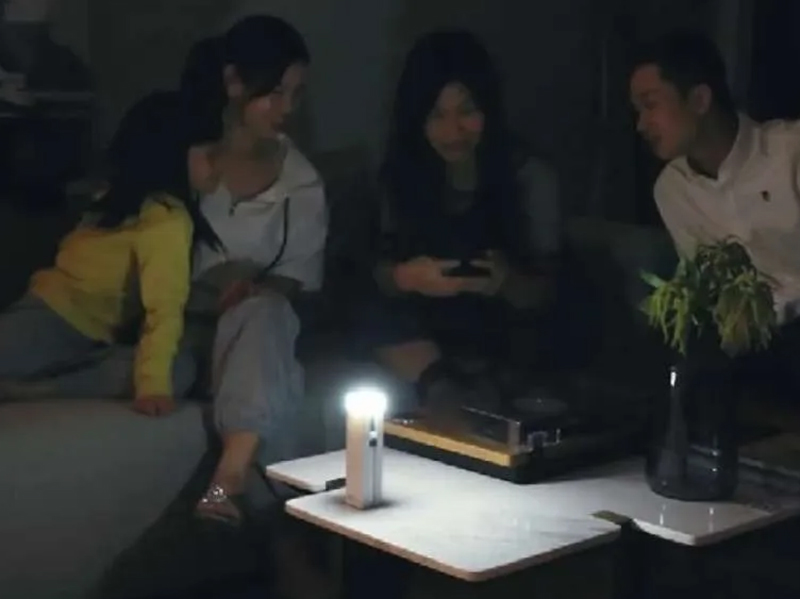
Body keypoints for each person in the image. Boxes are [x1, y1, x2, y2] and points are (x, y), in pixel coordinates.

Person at [359, 30, 561, 417]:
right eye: (437, 115)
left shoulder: (529, 176)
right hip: (423, 324)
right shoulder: (400, 174)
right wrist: (407, 277)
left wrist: (504, 281)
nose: (453, 132)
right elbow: (376, 272)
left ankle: (470, 392)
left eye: (467, 112)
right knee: (368, 312)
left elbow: (548, 290)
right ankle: (442, 386)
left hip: (500, 320)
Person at [181, 17, 328, 526]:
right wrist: (210, 285)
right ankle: (286, 537)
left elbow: (297, 281)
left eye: (297, 94)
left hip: (247, 330)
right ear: (234, 82)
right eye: (275, 92)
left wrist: (251, 286)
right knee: (281, 377)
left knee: (267, 313)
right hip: (176, 329)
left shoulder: (301, 184)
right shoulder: (187, 160)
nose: (287, 108)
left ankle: (229, 477)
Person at [0, 90, 222, 413]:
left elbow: (165, 306)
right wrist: (153, 387)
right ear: (174, 155)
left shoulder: (159, 213)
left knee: (179, 369)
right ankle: (33, 383)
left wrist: (153, 385)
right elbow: (164, 308)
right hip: (51, 317)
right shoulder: (163, 216)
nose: (220, 164)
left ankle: (34, 389)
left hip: (96, 341)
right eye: (211, 154)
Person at [630, 31, 800, 397]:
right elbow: (708, 287)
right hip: (749, 352)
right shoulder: (672, 189)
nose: (641, 125)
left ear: (699, 100)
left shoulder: (790, 154)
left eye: (650, 105)